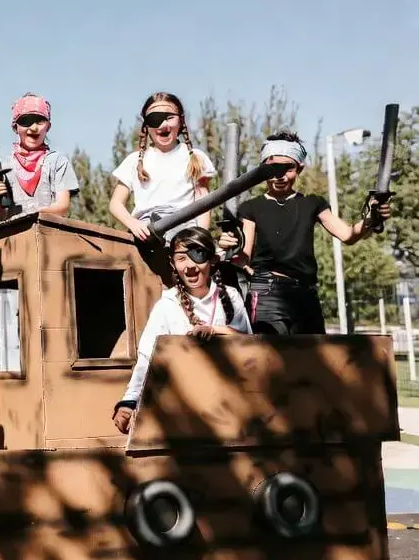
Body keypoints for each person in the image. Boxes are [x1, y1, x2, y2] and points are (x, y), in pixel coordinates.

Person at [219, 131, 392, 334]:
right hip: (266, 291)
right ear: (262, 169)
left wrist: (371, 217)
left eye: (288, 168)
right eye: (273, 168)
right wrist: (228, 246)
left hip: (306, 292)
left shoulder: (313, 203)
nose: (280, 175)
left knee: (312, 350)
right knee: (269, 349)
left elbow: (348, 235)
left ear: (299, 168)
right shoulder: (251, 208)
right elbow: (243, 256)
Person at [112, 227, 251, 434]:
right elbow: (147, 357)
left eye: (197, 255)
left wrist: (215, 330)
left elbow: (250, 345)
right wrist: (129, 401)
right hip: (183, 411)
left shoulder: (231, 297)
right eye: (181, 258)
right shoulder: (167, 305)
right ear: (173, 264)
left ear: (212, 260)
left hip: (230, 407)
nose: (190, 266)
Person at [109, 92, 217, 243]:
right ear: (146, 126)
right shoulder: (134, 160)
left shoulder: (195, 157)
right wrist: (133, 223)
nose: (163, 125)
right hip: (146, 232)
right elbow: (116, 203)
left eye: (169, 117)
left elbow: (203, 201)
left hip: (184, 231)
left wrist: (201, 237)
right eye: (155, 119)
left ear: (181, 120)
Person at [0, 93, 80, 221]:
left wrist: (28, 215)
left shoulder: (57, 162)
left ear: (48, 126)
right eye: (26, 121)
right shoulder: (4, 167)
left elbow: (62, 207)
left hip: (48, 231)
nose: (33, 128)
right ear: (15, 127)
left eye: (40, 121)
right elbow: (2, 216)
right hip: (15, 233)